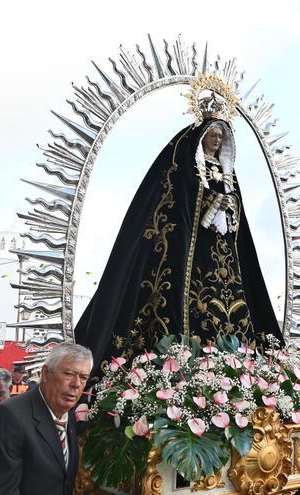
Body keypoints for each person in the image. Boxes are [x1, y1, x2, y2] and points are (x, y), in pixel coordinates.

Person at [75, 113, 282, 372]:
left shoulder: (227, 171)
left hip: (223, 253)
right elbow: (179, 200)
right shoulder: (185, 165)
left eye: (221, 136)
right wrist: (211, 200)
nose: (217, 140)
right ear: (202, 137)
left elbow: (236, 212)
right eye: (213, 135)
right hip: (190, 251)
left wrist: (230, 204)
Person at [0, 343, 93, 494]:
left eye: (83, 377)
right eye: (68, 374)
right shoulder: (8, 417)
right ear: (46, 373)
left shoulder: (68, 417)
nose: (76, 384)